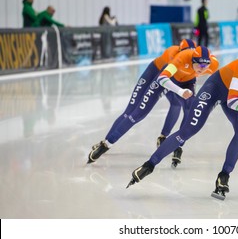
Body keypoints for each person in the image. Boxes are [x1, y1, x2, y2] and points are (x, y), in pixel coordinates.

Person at [126, 45, 238, 200]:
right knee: (189, 130)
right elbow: (232, 102)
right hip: (216, 89)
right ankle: (149, 165)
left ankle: (224, 176)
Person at [87, 44, 219, 164]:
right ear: (191, 60)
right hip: (165, 77)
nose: (202, 69)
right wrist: (179, 91)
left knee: (189, 109)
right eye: (199, 66)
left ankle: (177, 145)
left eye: (205, 66)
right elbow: (162, 78)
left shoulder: (212, 64)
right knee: (137, 114)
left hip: (187, 81)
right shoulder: (180, 57)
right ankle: (106, 144)